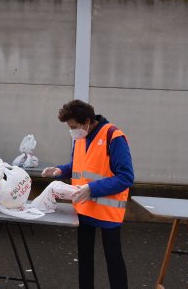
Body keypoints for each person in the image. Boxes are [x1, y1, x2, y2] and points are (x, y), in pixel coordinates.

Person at [42, 99, 134, 289]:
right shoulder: (80, 138)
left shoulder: (113, 136)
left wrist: (92, 189)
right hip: (84, 209)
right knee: (84, 260)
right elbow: (78, 166)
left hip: (108, 212)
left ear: (87, 121)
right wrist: (60, 171)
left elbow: (125, 177)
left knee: (113, 260)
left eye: (74, 126)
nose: (72, 131)